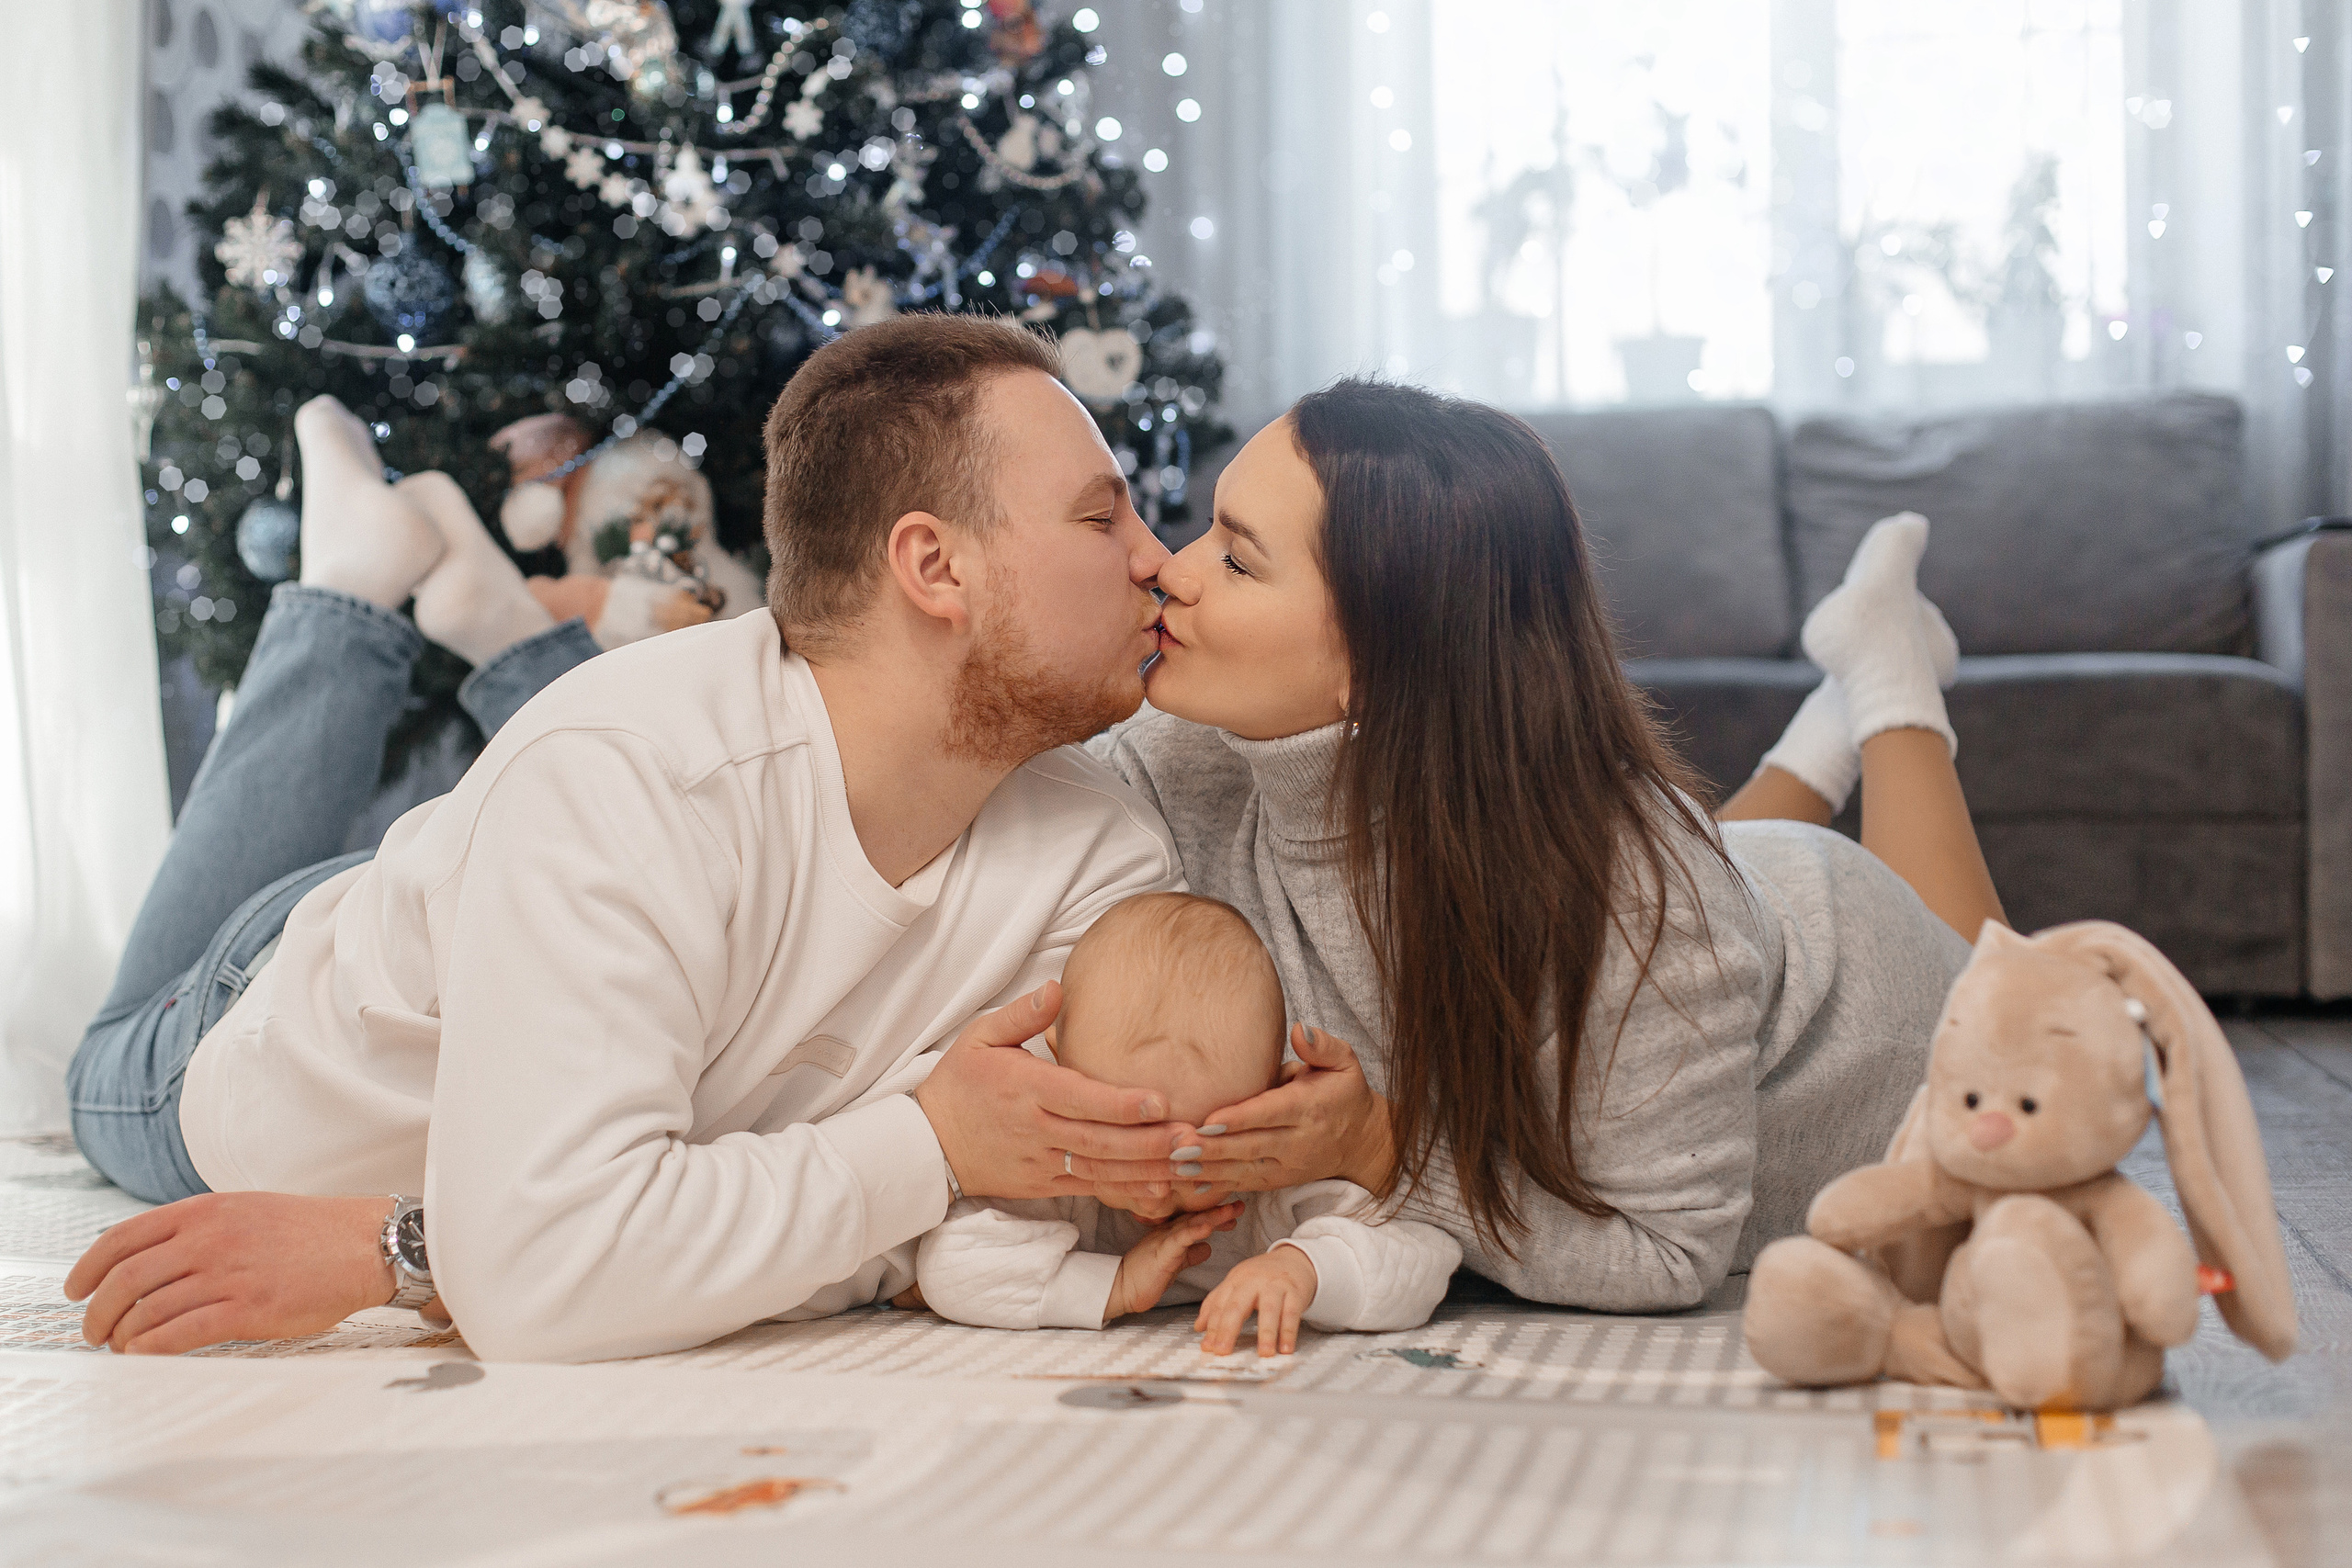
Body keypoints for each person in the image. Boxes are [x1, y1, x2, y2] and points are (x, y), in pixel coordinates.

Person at [63, 314, 1199, 1361]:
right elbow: (550, 1280)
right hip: (263, 1003)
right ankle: (344, 592)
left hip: (548, 881)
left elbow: (954, 1244)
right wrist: (929, 1147)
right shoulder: (627, 771)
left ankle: (494, 626)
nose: (1163, 560)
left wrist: (517, 1237)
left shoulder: (1104, 856)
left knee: (610, 790)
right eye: (1102, 517)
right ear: (935, 567)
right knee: (90, 1073)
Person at [1072, 378, 2006, 1314]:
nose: (1171, 570)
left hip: (1875, 995)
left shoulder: (1639, 898)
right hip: (1727, 900)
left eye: (1238, 561)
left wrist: (1378, 1145)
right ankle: (1825, 729)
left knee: (2019, 994)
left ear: (1383, 659)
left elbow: (1667, 1251)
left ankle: (1888, 675)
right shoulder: (1181, 757)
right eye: (1208, 530)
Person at [912, 891, 1459, 1356]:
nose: (1156, 1189)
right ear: (1059, 1070)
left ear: (1270, 1100)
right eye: (1123, 1143)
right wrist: (1116, 1285)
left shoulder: (1269, 1180)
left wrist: (1307, 1270)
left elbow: (1423, 1254)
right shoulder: (1062, 1165)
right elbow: (950, 1266)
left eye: (1195, 1156)